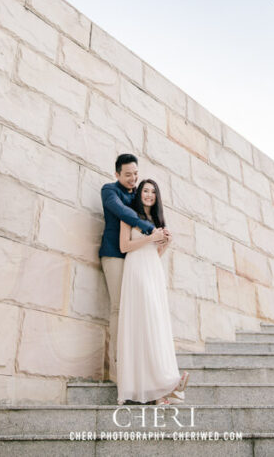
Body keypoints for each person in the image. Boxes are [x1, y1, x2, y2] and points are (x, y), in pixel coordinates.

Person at [116, 179, 189, 405]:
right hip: (136, 271)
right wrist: (150, 237)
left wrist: (165, 242)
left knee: (156, 326)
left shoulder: (157, 220)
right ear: (139, 194)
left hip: (153, 271)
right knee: (145, 323)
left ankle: (159, 392)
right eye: (145, 191)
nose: (149, 195)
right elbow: (124, 247)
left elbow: (154, 253)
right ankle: (166, 384)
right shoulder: (129, 215)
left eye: (153, 192)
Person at [100, 154, 165, 383]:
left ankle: (140, 368)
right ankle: (116, 372)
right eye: (128, 175)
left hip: (136, 260)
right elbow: (123, 213)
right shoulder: (109, 190)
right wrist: (148, 229)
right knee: (119, 309)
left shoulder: (138, 194)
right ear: (117, 174)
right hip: (115, 255)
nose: (133, 178)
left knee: (137, 312)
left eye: (135, 174)